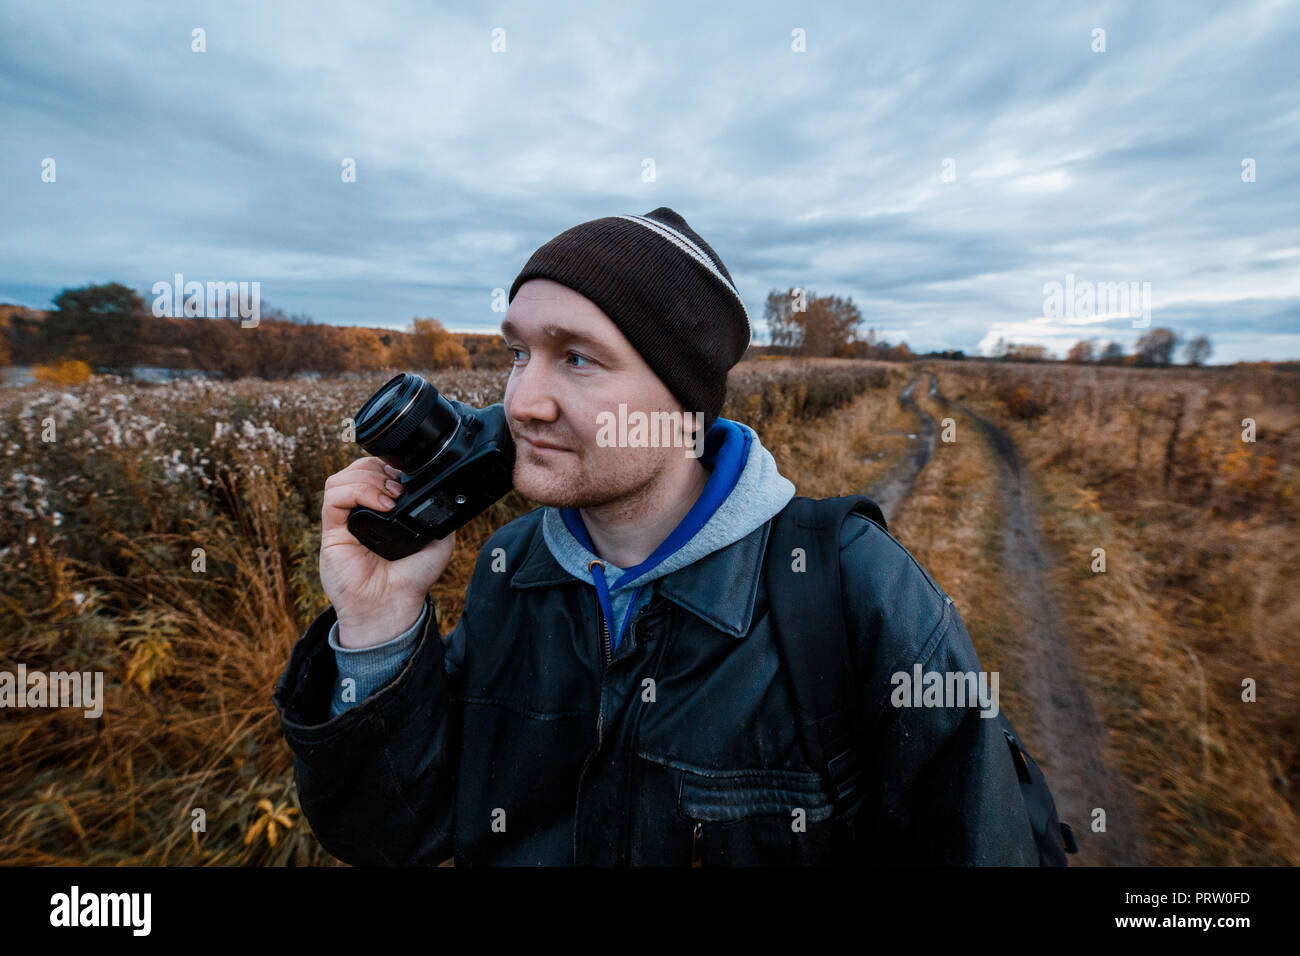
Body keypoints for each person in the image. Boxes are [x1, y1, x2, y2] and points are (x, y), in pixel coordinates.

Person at [272, 206, 1038, 866]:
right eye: (517, 354)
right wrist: (377, 626)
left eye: (577, 358)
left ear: (683, 400)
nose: (523, 401)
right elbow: (393, 835)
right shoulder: (512, 567)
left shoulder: (852, 588)